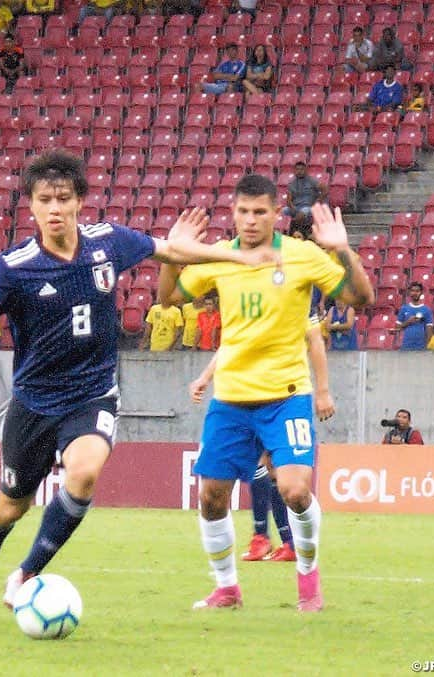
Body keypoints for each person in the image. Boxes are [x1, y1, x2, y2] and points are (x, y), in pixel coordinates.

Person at [0, 150, 277, 624]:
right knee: (9, 506)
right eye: (45, 200)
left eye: (64, 198)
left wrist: (239, 256)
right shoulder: (14, 266)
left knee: (83, 476)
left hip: (92, 394)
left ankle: (25, 574)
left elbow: (172, 251)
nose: (55, 208)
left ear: (81, 201)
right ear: (32, 206)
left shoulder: (109, 242)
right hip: (34, 403)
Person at [157, 181, 375, 612]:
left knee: (295, 490)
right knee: (211, 497)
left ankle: (309, 583)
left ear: (277, 213)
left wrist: (343, 250)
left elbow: (361, 298)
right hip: (232, 397)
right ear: (233, 213)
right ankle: (227, 589)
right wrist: (171, 253)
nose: (251, 220)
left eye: (260, 212)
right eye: (243, 211)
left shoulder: (304, 255)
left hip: (286, 395)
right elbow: (166, 298)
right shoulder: (219, 256)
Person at [191, 306, 335, 563]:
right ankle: (267, 538)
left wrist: (322, 390)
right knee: (264, 469)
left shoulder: (294, 286)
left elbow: (315, 339)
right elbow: (231, 343)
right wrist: (206, 376)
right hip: (242, 395)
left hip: (283, 397)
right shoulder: (243, 291)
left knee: (281, 476)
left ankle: (282, 540)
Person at [284, 162, 327, 232]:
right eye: (297, 169)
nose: (299, 171)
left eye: (301, 169)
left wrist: (318, 201)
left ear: (306, 170)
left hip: (309, 207)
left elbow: (325, 189)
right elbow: (289, 201)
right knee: (282, 211)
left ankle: (295, 231)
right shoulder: (291, 184)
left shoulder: (312, 181)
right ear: (294, 171)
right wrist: (293, 208)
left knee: (302, 213)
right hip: (295, 207)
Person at [391, 282, 433, 351]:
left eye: (417, 291)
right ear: (409, 292)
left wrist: (427, 345)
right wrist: (408, 321)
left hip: (421, 347)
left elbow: (429, 330)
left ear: (421, 293)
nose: (415, 293)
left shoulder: (426, 309)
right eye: (412, 291)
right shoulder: (404, 308)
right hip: (406, 346)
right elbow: (397, 328)